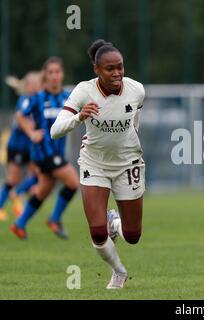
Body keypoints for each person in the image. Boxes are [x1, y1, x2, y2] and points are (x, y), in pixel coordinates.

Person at [50, 39, 146, 289]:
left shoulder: (136, 90)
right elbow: (54, 130)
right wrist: (79, 117)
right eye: (109, 69)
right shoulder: (84, 91)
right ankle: (119, 272)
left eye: (120, 67)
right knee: (97, 232)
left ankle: (115, 222)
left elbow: (134, 119)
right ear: (96, 70)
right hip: (94, 165)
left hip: (128, 164)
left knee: (133, 236)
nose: (117, 73)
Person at [10, 57, 79, 239]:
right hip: (43, 153)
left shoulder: (67, 97)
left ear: (62, 74)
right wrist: (31, 132)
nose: (54, 76)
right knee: (73, 182)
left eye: (57, 72)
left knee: (43, 190)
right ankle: (54, 219)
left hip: (57, 152)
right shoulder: (37, 98)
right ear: (45, 75)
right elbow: (20, 115)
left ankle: (19, 224)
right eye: (51, 72)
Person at [0, 71, 42, 221]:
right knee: (12, 179)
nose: (38, 85)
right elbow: (21, 121)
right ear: (28, 85)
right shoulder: (24, 100)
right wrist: (34, 128)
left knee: (38, 174)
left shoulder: (38, 100)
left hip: (30, 147)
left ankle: (16, 194)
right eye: (35, 83)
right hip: (17, 146)